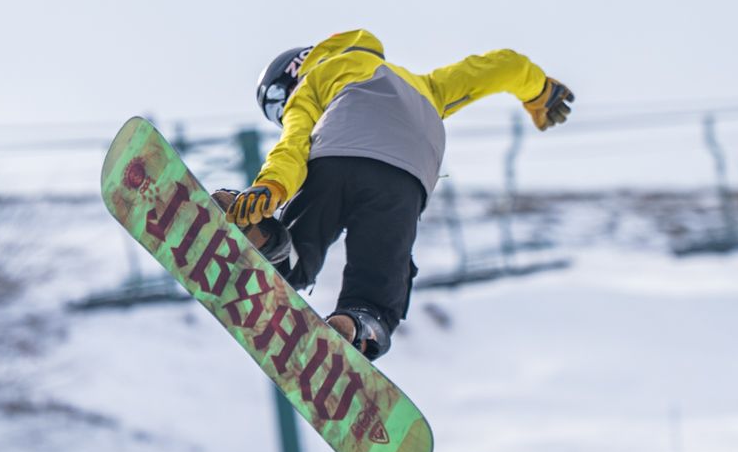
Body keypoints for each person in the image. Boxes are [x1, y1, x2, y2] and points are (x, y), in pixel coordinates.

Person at [216, 30, 572, 359]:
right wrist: (540, 89)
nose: (282, 114)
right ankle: (358, 323)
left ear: (291, 77)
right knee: (381, 267)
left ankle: (268, 243)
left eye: (277, 108)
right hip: (405, 173)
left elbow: (292, 146)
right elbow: (501, 65)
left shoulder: (313, 84)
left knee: (301, 241)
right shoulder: (423, 85)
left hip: (336, 154)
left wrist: (271, 187)